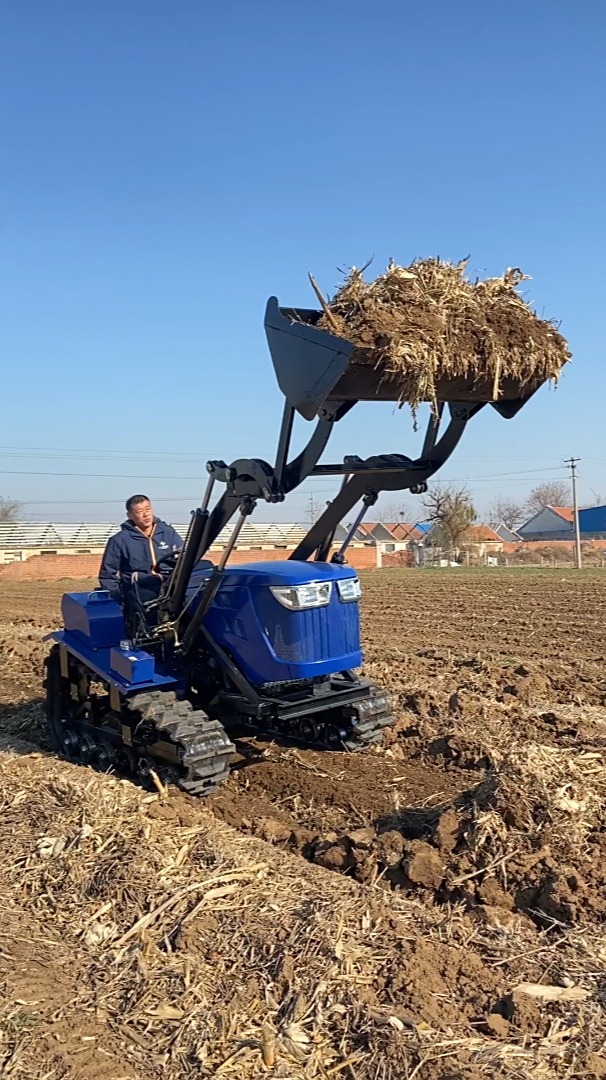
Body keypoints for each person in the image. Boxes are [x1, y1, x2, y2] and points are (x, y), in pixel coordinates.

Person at [99, 495, 183, 601]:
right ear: (130, 515)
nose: (146, 514)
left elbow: (184, 558)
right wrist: (121, 599)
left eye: (148, 509)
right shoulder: (119, 540)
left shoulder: (169, 533)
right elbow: (107, 575)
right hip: (138, 594)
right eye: (139, 511)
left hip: (170, 590)